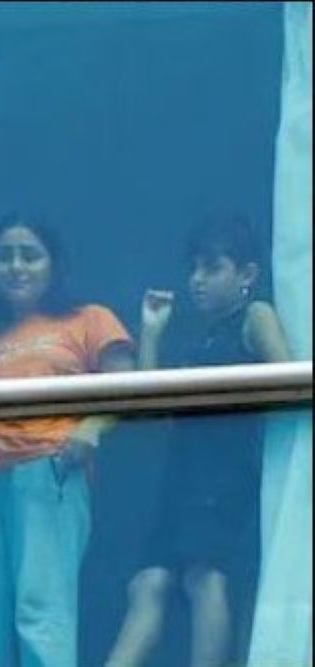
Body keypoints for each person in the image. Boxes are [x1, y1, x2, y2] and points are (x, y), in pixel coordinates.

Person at [0, 213, 135, 667]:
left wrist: (88, 432)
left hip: (46, 466)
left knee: (41, 610)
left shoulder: (88, 319)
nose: (16, 267)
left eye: (29, 255)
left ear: (53, 264)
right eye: (4, 257)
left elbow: (125, 385)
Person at [105, 216, 290, 667]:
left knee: (204, 575)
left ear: (247, 273)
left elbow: (288, 381)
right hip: (183, 477)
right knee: (147, 582)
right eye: (193, 268)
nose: (197, 280)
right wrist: (151, 331)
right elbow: (151, 412)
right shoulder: (202, 340)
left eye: (212, 267)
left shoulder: (254, 316)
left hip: (225, 473)